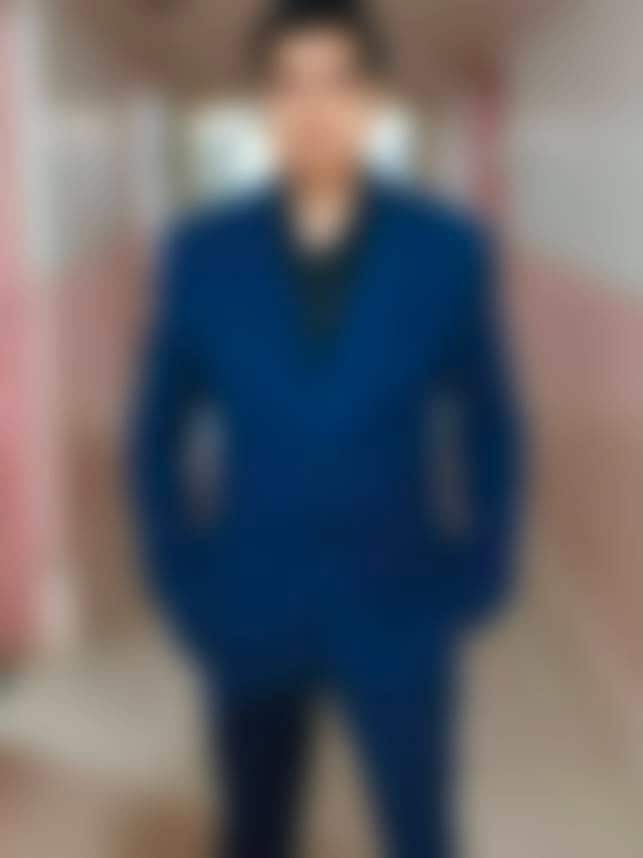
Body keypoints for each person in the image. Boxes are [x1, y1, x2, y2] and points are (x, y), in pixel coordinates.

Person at [129, 1, 523, 856]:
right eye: (289, 85)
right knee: (255, 828)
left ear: (372, 101)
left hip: (399, 598)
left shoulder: (444, 250)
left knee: (419, 829)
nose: (314, 109)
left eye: (337, 83)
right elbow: (156, 429)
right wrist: (182, 575)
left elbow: (489, 418)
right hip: (251, 599)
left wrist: (482, 563)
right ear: (263, 105)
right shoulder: (203, 254)